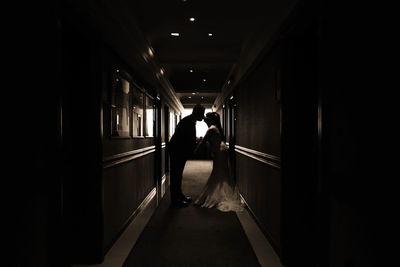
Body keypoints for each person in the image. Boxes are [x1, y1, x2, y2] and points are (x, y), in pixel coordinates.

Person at [194, 112, 244, 212]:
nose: (205, 120)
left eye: (206, 119)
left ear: (211, 120)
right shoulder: (217, 127)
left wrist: (195, 151)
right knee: (222, 172)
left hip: (219, 153)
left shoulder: (211, 129)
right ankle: (223, 191)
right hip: (222, 151)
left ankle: (218, 195)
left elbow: (203, 142)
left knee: (218, 172)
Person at [168, 104, 205, 207]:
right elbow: (186, 139)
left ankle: (179, 195)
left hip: (179, 151)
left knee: (178, 174)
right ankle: (175, 200)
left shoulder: (190, 120)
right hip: (177, 151)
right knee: (176, 175)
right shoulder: (187, 121)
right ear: (197, 112)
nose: (203, 116)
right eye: (202, 114)